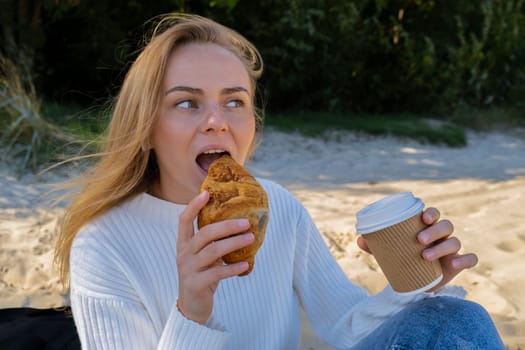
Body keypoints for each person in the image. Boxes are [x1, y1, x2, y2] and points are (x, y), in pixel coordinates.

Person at [54, 13, 505, 349]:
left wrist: (417, 281)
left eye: (234, 101)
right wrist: (192, 310)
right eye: (187, 103)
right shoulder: (104, 243)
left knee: (455, 317)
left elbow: (345, 326)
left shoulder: (277, 206)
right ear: (147, 127)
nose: (217, 121)